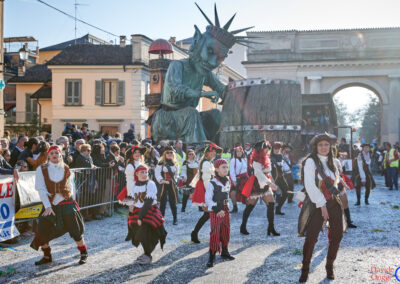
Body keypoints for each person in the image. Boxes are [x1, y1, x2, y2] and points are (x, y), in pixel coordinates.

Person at [30, 145, 88, 265]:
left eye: (56, 153)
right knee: (41, 230)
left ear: (60, 154)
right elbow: (41, 189)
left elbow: (72, 187)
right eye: (52, 154)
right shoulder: (41, 169)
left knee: (76, 230)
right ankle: (47, 256)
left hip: (66, 202)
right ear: (48, 155)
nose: (54, 155)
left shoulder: (66, 168)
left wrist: (68, 198)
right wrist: (48, 206)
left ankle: (83, 253)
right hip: (50, 204)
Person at [298, 134, 344, 282]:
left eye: (326, 144)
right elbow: (310, 186)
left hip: (333, 203)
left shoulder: (333, 161)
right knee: (311, 237)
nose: (324, 147)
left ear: (330, 146)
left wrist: (341, 185)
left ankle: (329, 266)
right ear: (315, 147)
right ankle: (305, 270)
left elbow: (335, 181)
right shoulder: (311, 161)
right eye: (320, 145)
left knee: (337, 235)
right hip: (316, 203)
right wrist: (322, 205)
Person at [121, 164, 167, 265]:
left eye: (146, 172)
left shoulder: (150, 184)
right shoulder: (134, 184)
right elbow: (135, 199)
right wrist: (130, 203)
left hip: (149, 210)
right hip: (138, 210)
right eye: (142, 172)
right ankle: (146, 252)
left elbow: (148, 202)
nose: (145, 174)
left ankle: (148, 255)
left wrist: (140, 217)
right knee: (135, 230)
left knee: (145, 232)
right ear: (136, 174)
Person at [240, 141, 279, 236]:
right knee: (250, 206)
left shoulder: (267, 158)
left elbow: (268, 173)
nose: (267, 150)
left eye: (268, 148)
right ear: (260, 150)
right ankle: (243, 226)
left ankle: (271, 228)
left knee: (271, 204)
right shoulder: (255, 160)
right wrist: (270, 183)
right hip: (256, 184)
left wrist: (272, 183)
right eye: (265, 148)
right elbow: (259, 174)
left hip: (265, 183)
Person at [205, 159, 235, 267]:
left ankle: (225, 251)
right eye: (223, 167)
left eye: (227, 167)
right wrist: (218, 210)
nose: (226, 169)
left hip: (225, 210)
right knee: (215, 232)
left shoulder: (228, 180)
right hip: (216, 211)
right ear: (216, 169)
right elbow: (208, 199)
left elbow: (226, 196)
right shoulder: (212, 182)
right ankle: (212, 256)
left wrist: (227, 209)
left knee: (226, 230)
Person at [190, 144, 222, 243]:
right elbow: (206, 179)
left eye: (215, 152)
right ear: (207, 152)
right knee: (211, 213)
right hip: (206, 188)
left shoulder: (209, 162)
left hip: (207, 188)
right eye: (213, 151)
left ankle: (196, 233)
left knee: (208, 214)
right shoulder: (206, 163)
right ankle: (213, 235)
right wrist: (211, 193)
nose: (214, 153)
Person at [155, 146, 179, 225]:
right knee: (163, 202)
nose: (169, 154)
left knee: (173, 202)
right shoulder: (160, 163)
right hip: (163, 185)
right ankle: (161, 218)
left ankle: (175, 219)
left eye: (171, 152)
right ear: (164, 154)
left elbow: (176, 174)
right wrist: (162, 180)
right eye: (167, 153)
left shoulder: (175, 163)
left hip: (172, 184)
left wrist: (175, 179)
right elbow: (157, 174)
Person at [270, 142, 289, 215]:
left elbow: (282, 167)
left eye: (278, 148)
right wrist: (271, 180)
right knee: (273, 194)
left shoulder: (281, 156)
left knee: (286, 191)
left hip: (281, 177)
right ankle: (271, 209)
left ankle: (278, 208)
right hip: (273, 178)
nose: (277, 150)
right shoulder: (270, 157)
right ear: (272, 149)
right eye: (275, 148)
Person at [229, 146, 248, 213]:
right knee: (232, 193)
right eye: (237, 151)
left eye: (240, 151)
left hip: (245, 178)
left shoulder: (245, 159)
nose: (239, 153)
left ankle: (248, 207)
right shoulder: (233, 160)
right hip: (236, 178)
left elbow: (246, 169)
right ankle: (235, 207)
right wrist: (234, 181)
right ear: (235, 153)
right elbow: (232, 171)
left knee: (246, 193)